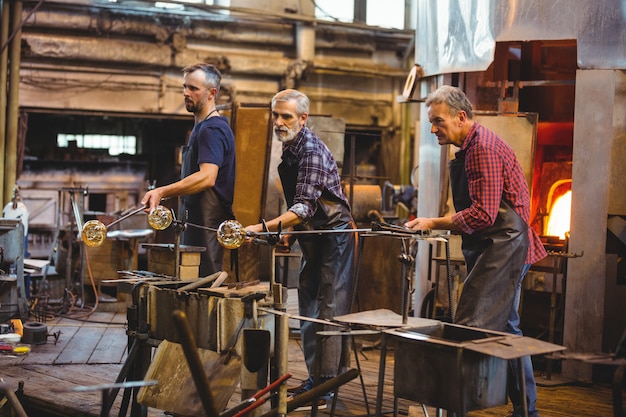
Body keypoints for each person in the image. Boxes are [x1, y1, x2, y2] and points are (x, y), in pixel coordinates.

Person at [405, 85, 547, 417]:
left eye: (438, 121)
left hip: (505, 247)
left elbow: (483, 214)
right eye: (431, 122)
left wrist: (432, 222)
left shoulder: (481, 147)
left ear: (461, 116)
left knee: (470, 326)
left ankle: (455, 408)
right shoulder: (470, 148)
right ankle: (527, 411)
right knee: (508, 330)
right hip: (498, 246)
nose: (433, 129)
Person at [244, 89, 357, 409]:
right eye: (275, 115)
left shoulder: (311, 152)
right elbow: (301, 203)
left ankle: (327, 387)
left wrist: (264, 227)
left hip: (334, 238)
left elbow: (305, 207)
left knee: (329, 313)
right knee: (309, 307)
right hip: (312, 237)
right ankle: (315, 379)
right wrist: (290, 232)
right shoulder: (290, 148)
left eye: (287, 117)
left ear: (303, 118)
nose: (279, 122)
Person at [142, 63, 236, 277]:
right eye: (185, 87)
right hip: (194, 221)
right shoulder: (201, 128)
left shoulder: (212, 129)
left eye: (194, 88)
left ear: (212, 93)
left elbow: (207, 177)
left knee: (205, 287)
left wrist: (161, 192)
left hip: (206, 226)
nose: (186, 93)